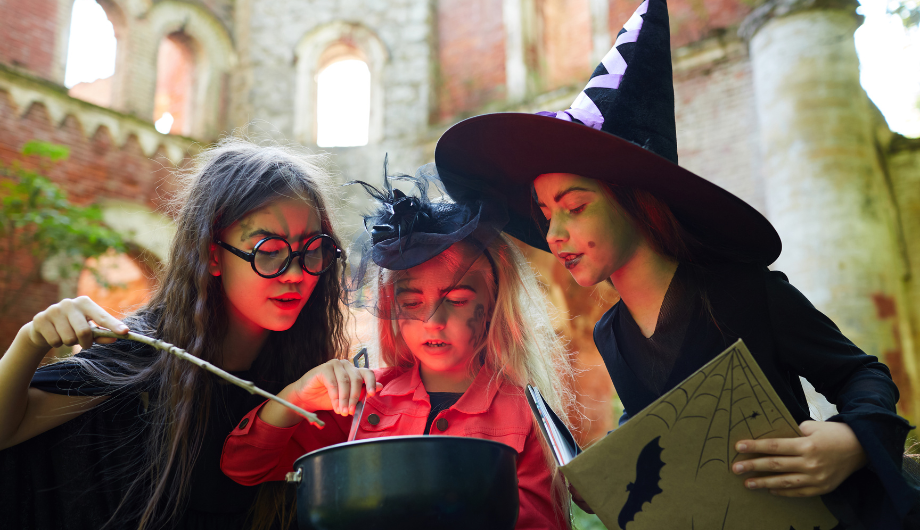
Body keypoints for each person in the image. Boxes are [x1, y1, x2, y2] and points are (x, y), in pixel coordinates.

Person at [431, 0, 918, 527]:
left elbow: (860, 373)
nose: (554, 234)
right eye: (546, 214)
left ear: (635, 203)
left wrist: (850, 440)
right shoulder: (612, 334)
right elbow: (660, 425)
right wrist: (608, 471)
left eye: (575, 207)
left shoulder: (744, 291)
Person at [0, 139, 348, 530]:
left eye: (313, 249)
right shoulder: (143, 358)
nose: (297, 274)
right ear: (213, 255)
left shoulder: (308, 379)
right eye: (268, 249)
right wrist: (31, 340)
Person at [220, 164, 577, 529]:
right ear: (391, 307)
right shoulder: (363, 400)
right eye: (412, 303)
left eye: (456, 299)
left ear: (493, 305)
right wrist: (296, 398)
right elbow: (243, 465)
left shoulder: (524, 413)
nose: (432, 322)